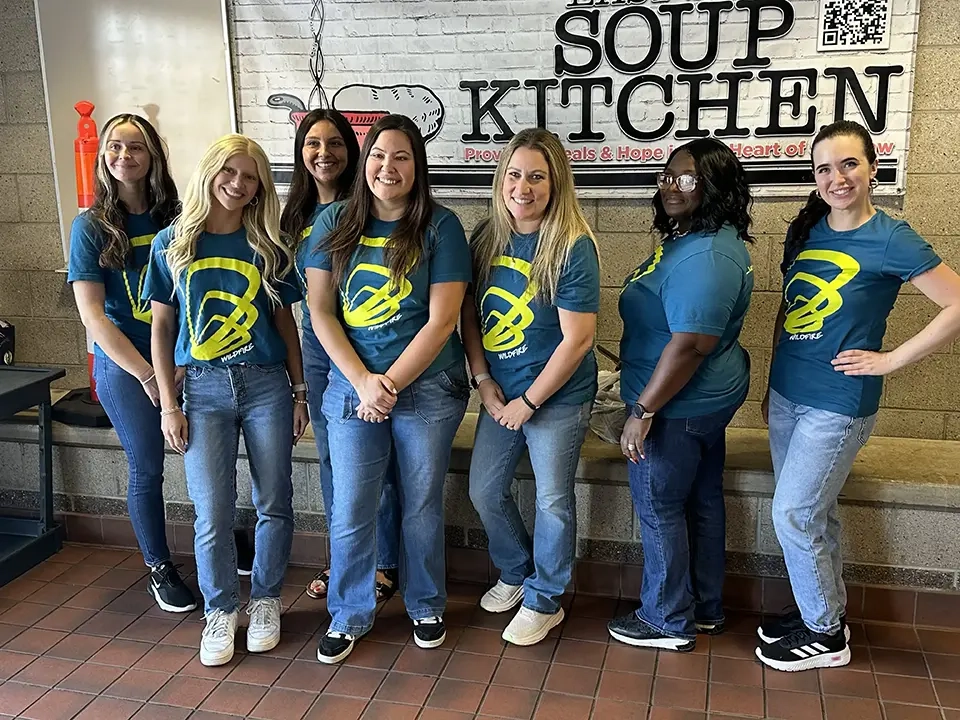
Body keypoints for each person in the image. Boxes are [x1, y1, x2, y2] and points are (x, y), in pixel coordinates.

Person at [757, 120, 960, 671]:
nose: (837, 177)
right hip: (788, 397)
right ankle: (818, 609)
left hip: (837, 404)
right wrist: (771, 384)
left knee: (794, 514)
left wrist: (891, 360)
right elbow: (789, 311)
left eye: (849, 164)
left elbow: (957, 303)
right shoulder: (808, 229)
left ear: (873, 166)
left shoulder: (893, 237)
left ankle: (825, 635)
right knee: (813, 514)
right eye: (824, 168)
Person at [304, 114, 471, 664]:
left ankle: (426, 604)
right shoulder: (333, 221)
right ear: (364, 162)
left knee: (420, 505)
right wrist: (361, 381)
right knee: (353, 505)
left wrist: (389, 384)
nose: (388, 167)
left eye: (401, 157)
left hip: (426, 390)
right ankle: (349, 613)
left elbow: (443, 319)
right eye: (379, 155)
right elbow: (321, 311)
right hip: (352, 387)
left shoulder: (440, 227)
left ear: (417, 166)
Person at [144, 133, 309, 667]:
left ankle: (264, 600)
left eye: (250, 176)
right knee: (211, 511)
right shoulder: (173, 243)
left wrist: (300, 391)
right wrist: (169, 403)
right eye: (229, 172)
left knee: (273, 503)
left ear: (261, 185)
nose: (238, 185)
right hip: (204, 389)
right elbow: (163, 327)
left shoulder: (269, 246)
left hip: (266, 386)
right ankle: (220, 609)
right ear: (210, 172)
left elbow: (286, 324)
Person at [607, 138, 755, 652]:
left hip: (675, 408)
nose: (672, 185)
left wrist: (643, 411)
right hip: (701, 402)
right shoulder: (696, 238)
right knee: (701, 501)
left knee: (659, 506)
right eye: (667, 175)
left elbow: (691, 344)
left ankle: (667, 618)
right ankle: (706, 608)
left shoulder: (708, 255)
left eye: (687, 178)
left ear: (714, 187)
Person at [463, 128, 599, 647]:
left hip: (555, 398)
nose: (524, 187)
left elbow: (578, 339)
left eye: (537, 177)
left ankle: (546, 598)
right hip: (501, 392)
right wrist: (484, 381)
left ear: (556, 183)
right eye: (515, 175)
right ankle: (518, 570)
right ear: (501, 180)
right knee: (483, 488)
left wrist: (529, 401)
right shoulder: (487, 237)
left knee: (553, 502)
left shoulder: (571, 246)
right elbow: (468, 317)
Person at [69, 113, 196, 614]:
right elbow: (93, 317)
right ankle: (158, 566)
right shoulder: (91, 226)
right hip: (125, 367)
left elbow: (195, 293)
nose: (125, 157)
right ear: (103, 157)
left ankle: (219, 541)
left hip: (182, 355)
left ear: (153, 156)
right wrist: (148, 374)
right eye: (115, 147)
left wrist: (179, 359)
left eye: (136, 147)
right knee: (147, 465)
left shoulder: (177, 216)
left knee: (209, 452)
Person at [281, 108, 401, 602]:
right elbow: (291, 296)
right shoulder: (294, 216)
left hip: (371, 348)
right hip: (317, 346)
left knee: (381, 460)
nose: (323, 153)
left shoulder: (370, 201)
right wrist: (300, 385)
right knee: (335, 460)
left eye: (335, 143)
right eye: (312, 143)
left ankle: (385, 561)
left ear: (353, 152)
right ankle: (343, 560)